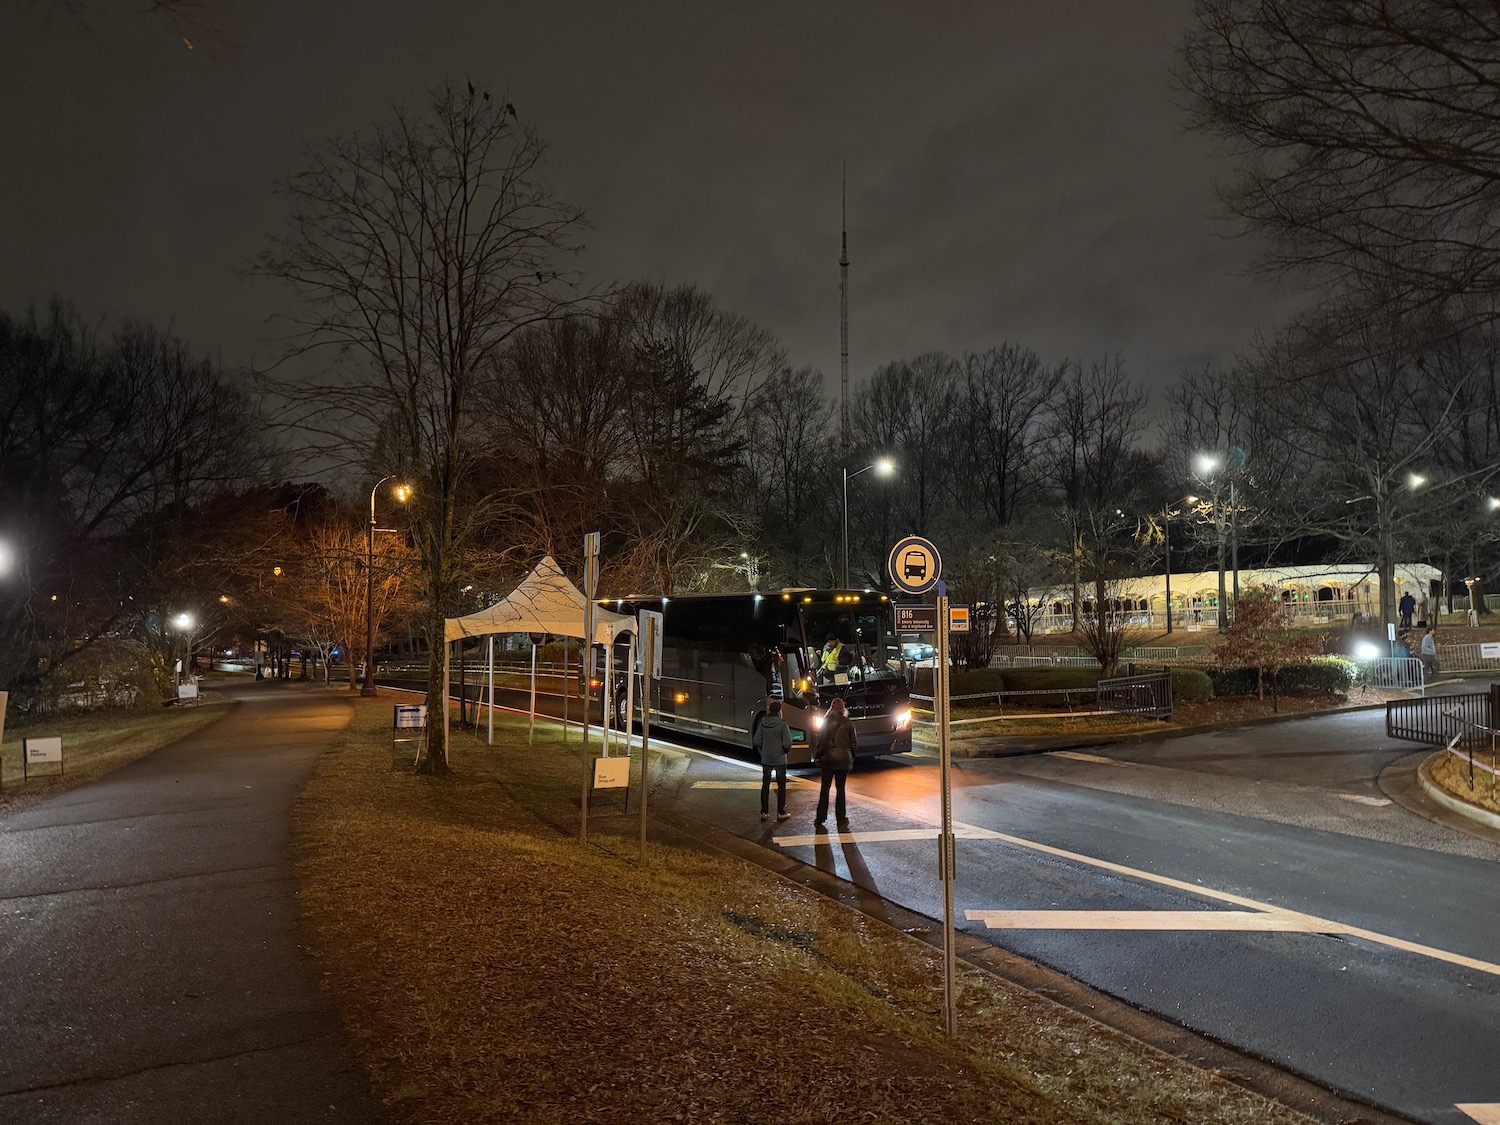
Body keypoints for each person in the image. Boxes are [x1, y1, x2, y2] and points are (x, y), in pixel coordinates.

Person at [813, 696, 857, 829]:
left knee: (825, 789)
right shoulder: (848, 722)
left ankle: (820, 817)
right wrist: (851, 757)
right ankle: (841, 819)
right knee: (841, 790)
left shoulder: (826, 722)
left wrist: (818, 756)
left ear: (831, 708)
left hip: (828, 760)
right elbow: (854, 743)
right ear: (843, 708)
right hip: (844, 760)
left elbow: (821, 742)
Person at [753, 699, 792, 822]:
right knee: (781, 786)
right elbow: (788, 743)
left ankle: (764, 812)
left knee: (765, 785)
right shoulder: (782, 724)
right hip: (780, 759)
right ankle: (781, 812)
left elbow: (756, 741)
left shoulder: (763, 723)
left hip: (766, 758)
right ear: (779, 711)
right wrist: (784, 752)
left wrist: (763, 751)